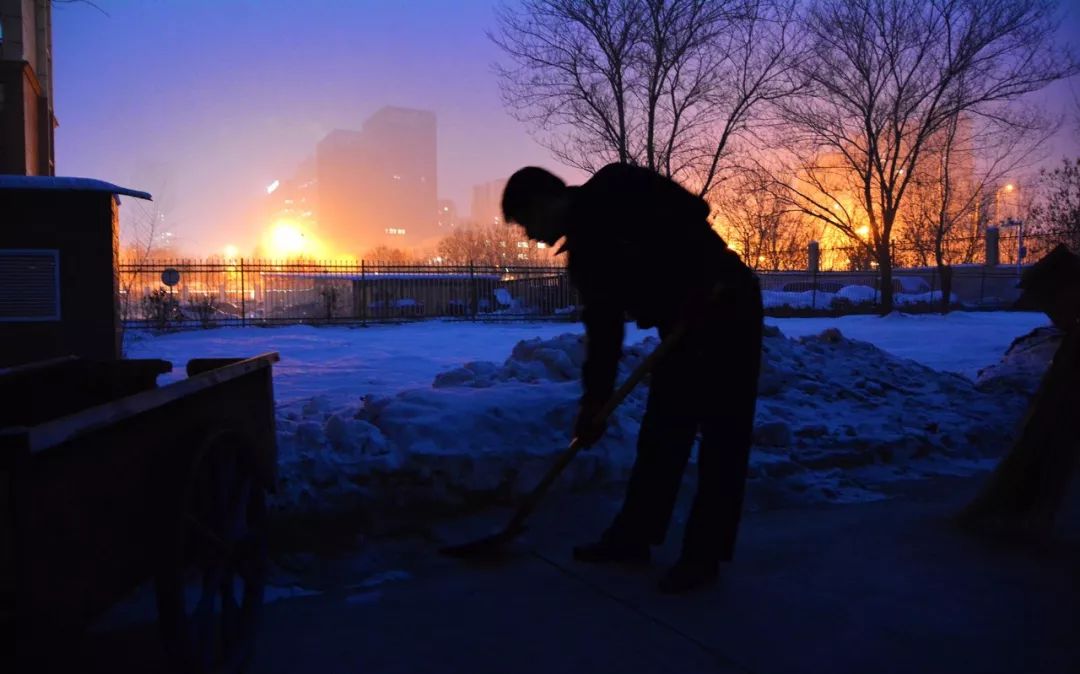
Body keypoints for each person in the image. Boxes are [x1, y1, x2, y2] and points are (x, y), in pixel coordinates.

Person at [501, 163, 763, 593]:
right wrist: (595, 402)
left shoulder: (617, 185)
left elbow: (691, 209)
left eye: (527, 222)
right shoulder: (585, 260)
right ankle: (633, 536)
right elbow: (604, 333)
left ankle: (704, 556)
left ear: (547, 201)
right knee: (663, 431)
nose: (529, 235)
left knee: (723, 439)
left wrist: (698, 285)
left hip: (726, 305)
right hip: (681, 325)